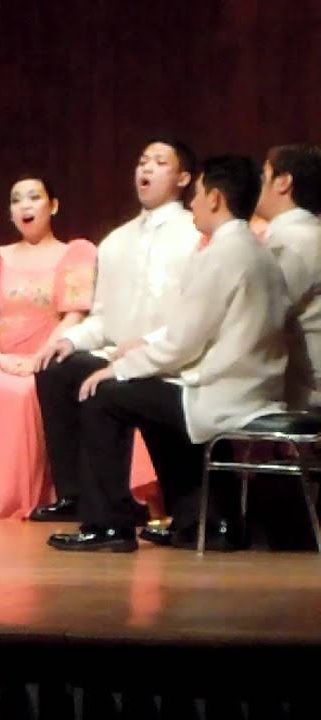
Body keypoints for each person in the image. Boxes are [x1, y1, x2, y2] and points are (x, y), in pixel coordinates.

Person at [49, 155, 290, 552]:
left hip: (223, 394)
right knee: (147, 394)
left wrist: (119, 368)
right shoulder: (255, 250)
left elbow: (182, 343)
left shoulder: (223, 254)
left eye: (197, 194)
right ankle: (204, 521)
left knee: (104, 396)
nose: (192, 203)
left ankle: (108, 525)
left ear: (215, 198)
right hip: (250, 386)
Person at [32, 138, 201, 522]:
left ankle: (117, 509)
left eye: (160, 162)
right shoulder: (115, 241)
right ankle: (75, 495)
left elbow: (195, 320)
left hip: (169, 359)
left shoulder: (194, 237)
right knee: (57, 368)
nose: (146, 168)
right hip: (116, 354)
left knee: (107, 391)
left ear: (183, 178)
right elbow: (102, 319)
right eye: (142, 161)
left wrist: (147, 343)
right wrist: (70, 339)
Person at [0, 175, 96, 520]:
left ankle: (29, 495)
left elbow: (74, 314)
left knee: (30, 389)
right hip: (2, 358)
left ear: (53, 206)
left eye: (34, 197)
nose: (25, 206)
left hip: (45, 358)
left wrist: (39, 357)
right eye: (17, 200)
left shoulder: (73, 254)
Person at [255, 143, 321, 409]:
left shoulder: (293, 241)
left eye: (263, 176)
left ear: (283, 181)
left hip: (306, 395)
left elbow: (254, 316)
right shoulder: (308, 234)